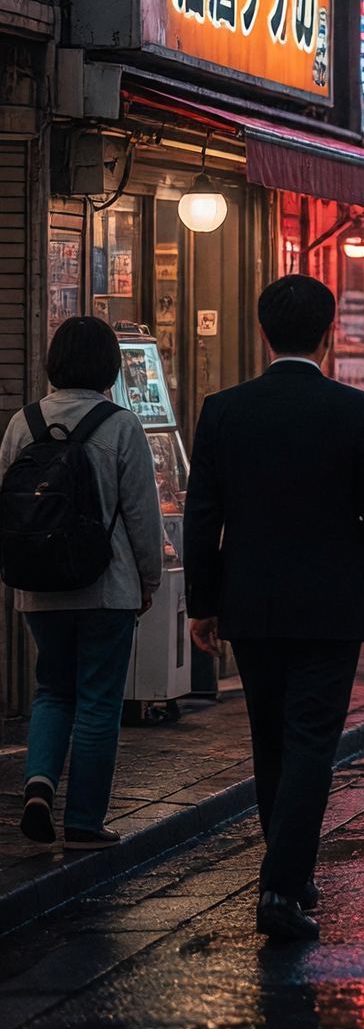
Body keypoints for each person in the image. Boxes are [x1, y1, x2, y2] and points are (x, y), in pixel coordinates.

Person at [183, 276, 364, 941]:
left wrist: (203, 602)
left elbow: (201, 515)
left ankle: (290, 869)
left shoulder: (224, 410)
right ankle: (282, 886)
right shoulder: (357, 411)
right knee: (312, 742)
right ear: (330, 333)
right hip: (332, 603)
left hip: (250, 599)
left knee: (269, 739)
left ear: (261, 332)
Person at [3, 316, 165, 851]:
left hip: (38, 587)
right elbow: (144, 516)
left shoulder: (21, 424)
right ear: (109, 366)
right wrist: (149, 579)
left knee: (52, 689)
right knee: (98, 701)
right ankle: (84, 824)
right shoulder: (120, 425)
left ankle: (39, 785)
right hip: (107, 587)